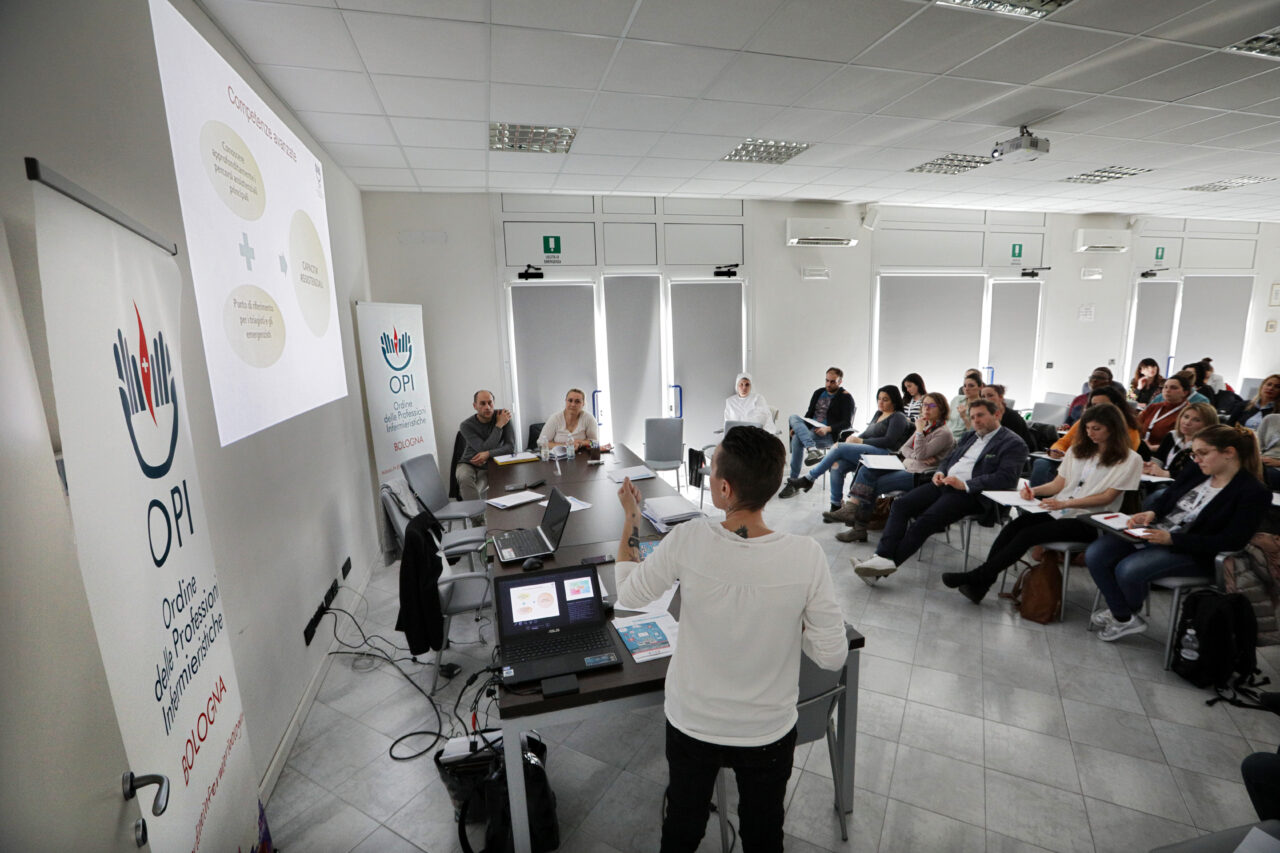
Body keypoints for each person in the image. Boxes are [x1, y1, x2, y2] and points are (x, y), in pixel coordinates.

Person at [613, 426, 847, 852]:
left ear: (724, 487)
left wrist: (631, 517)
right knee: (763, 836)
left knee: (682, 827)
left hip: (693, 722)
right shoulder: (806, 556)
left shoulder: (688, 540)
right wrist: (791, 623)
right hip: (767, 731)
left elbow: (628, 595)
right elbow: (832, 656)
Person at [1086, 424, 1271, 641]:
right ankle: (1124, 616)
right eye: (1195, 453)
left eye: (1203, 453)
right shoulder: (1197, 470)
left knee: (1129, 569)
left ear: (1229, 453)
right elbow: (1168, 496)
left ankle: (1121, 615)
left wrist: (1173, 539)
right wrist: (1152, 513)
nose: (1197, 459)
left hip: (1195, 551)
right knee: (1096, 554)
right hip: (1160, 532)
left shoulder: (1253, 492)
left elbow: (1232, 540)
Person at [942, 404, 1142, 604]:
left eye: (1096, 429)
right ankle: (980, 584)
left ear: (1113, 428)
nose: (1090, 434)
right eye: (1087, 428)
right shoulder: (1077, 451)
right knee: (1015, 526)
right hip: (1062, 510)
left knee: (1029, 535)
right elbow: (1059, 484)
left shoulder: (1129, 459)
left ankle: (977, 578)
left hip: (1091, 519)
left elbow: (1107, 497)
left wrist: (1064, 503)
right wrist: (1034, 491)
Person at [850, 400, 1028, 583]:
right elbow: (949, 459)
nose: (976, 421)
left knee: (925, 521)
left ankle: (880, 569)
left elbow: (1006, 478)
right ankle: (881, 558)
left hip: (973, 494)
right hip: (945, 484)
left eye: (980, 415)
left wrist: (966, 484)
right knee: (901, 505)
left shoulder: (1013, 443)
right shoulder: (971, 436)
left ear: (997, 414)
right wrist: (941, 471)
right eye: (973, 417)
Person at [827, 392, 955, 543]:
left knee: (872, 484)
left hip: (919, 475)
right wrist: (917, 453)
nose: (926, 409)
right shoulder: (926, 426)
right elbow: (904, 449)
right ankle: (851, 510)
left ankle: (858, 528)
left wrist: (918, 434)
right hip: (905, 466)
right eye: (924, 405)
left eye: (931, 405)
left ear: (941, 408)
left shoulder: (943, 433)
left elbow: (919, 453)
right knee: (867, 469)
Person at [781, 385, 911, 503]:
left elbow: (889, 441)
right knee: (837, 465)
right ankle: (835, 505)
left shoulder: (898, 417)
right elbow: (866, 434)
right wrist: (853, 440)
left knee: (839, 447)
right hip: (870, 450)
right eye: (879, 399)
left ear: (894, 400)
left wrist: (860, 442)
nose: (880, 402)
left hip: (885, 454)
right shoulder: (878, 414)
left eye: (885, 399)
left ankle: (809, 478)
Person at [1029, 385, 1143, 486]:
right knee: (1042, 463)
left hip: (1097, 468)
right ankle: (1036, 503)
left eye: (1102, 405)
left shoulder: (1130, 429)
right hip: (1070, 461)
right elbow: (1063, 442)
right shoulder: (1085, 421)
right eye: (1093, 405)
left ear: (1116, 406)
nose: (1097, 409)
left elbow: (1121, 459)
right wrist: (1056, 451)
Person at [786, 367, 855, 480]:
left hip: (827, 434)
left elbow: (847, 423)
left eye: (832, 381)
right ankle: (812, 449)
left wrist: (828, 429)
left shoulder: (845, 397)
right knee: (793, 417)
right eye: (827, 380)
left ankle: (793, 479)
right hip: (812, 429)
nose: (828, 384)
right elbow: (809, 414)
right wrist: (799, 427)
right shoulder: (818, 392)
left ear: (840, 381)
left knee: (796, 439)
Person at [455, 390, 515, 500]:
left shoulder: (503, 416)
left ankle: (479, 516)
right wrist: (499, 425)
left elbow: (510, 447)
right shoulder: (466, 425)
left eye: (490, 403)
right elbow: (482, 448)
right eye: (482, 403)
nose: (487, 407)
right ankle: (480, 517)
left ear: (494, 403)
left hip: (490, 465)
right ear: (475, 406)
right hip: (469, 462)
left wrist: (488, 454)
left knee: (474, 490)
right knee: (464, 478)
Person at [1144, 402, 1218, 480]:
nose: (1187, 422)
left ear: (1208, 425)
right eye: (1186, 417)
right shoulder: (1171, 435)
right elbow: (1158, 459)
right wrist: (1150, 466)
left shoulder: (1206, 448)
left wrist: (1167, 474)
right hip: (1158, 480)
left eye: (1196, 420)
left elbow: (1194, 473)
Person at [1138, 373, 1193, 449]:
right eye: (1165, 387)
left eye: (1173, 388)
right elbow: (1136, 426)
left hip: (1164, 455)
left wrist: (1152, 448)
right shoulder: (1154, 407)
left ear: (1185, 392)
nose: (1167, 390)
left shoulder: (1188, 412)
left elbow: (1182, 443)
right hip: (1142, 448)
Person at [978, 383, 1032, 449]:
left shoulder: (1012, 417)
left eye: (990, 395)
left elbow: (1012, 443)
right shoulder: (986, 415)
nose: (986, 399)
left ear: (1000, 397)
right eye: (983, 397)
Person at [947, 370, 984, 439]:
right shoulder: (956, 399)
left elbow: (976, 433)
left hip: (959, 440)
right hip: (945, 435)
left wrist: (964, 417)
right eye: (964, 386)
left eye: (971, 386)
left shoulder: (983, 406)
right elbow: (946, 419)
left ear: (980, 387)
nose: (966, 389)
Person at [1146, 369, 1212, 406]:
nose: (1168, 390)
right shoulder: (1162, 397)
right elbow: (1146, 411)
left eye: (1174, 387)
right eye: (1165, 387)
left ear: (1190, 387)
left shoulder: (1202, 401)